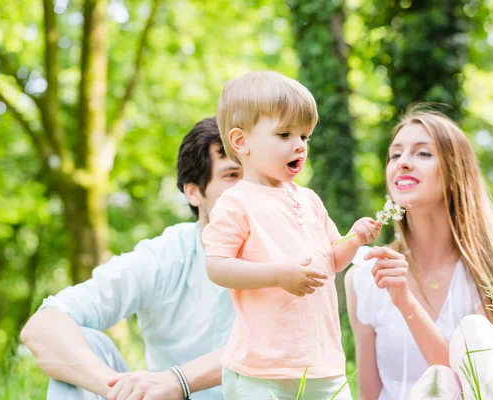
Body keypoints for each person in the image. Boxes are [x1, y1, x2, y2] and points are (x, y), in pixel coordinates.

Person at [20, 117, 243, 400]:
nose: (248, 190)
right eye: (232, 176)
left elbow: (275, 347)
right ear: (194, 192)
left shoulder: (289, 256)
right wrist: (119, 391)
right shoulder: (166, 256)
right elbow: (43, 327)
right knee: (83, 343)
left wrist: (179, 381)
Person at [201, 71, 382, 400]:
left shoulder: (309, 199)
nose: (298, 144)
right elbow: (217, 266)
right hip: (263, 371)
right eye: (284, 134)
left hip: (321, 362)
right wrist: (276, 274)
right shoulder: (237, 202)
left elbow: (332, 261)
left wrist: (354, 238)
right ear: (241, 142)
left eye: (305, 136)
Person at [345, 106, 493, 400]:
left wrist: (404, 300)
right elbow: (369, 394)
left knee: (465, 347)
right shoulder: (365, 277)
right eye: (395, 155)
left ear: (456, 171)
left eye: (423, 153)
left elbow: (472, 381)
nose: (403, 163)